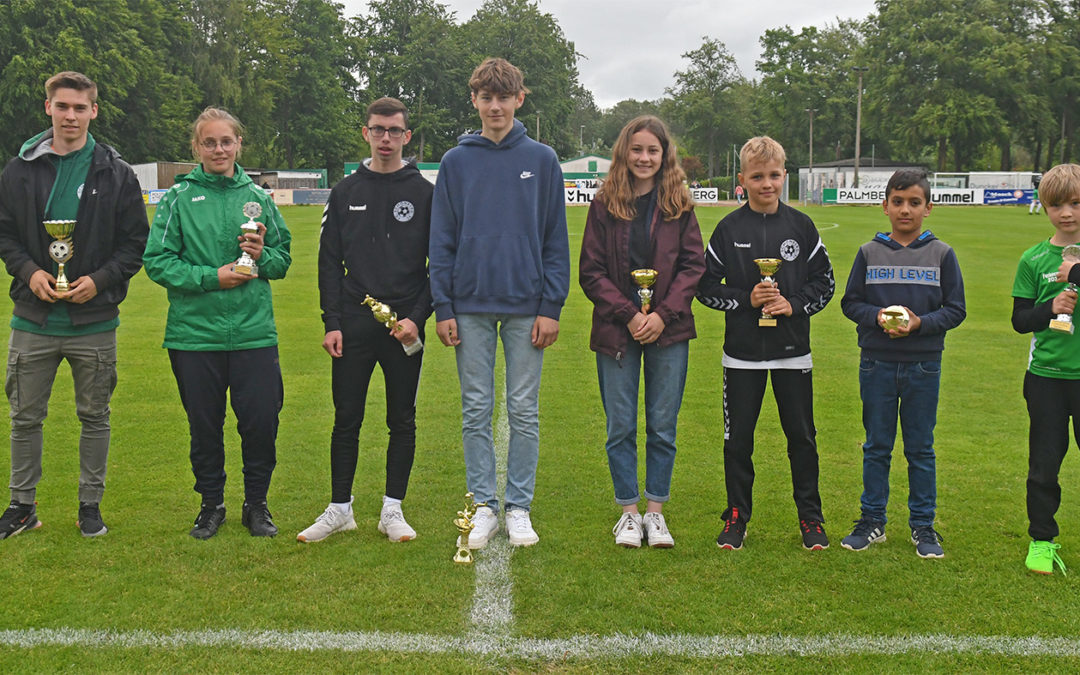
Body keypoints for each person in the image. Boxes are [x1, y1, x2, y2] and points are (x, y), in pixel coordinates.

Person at [429, 58, 570, 549]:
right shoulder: (455, 161)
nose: (495, 106)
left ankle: (520, 507)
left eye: (503, 97)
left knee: (524, 409)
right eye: (486, 98)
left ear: (519, 99)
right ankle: (485, 504)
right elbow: (441, 240)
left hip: (527, 307)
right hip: (467, 306)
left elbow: (555, 239)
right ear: (474, 101)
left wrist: (551, 306)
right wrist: (443, 307)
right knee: (475, 408)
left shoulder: (544, 159)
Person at [0, 71, 148, 540]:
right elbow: (3, 233)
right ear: (48, 108)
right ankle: (22, 506)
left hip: (94, 319)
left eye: (80, 108)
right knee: (24, 418)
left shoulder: (115, 171)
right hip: (33, 316)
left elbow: (134, 243)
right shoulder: (19, 168)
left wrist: (99, 281)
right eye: (62, 106)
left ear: (93, 112)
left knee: (95, 417)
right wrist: (30, 271)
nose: (70, 115)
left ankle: (90, 506)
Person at [143, 107, 292, 540]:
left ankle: (257, 505)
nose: (219, 149)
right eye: (209, 142)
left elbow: (283, 261)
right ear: (197, 148)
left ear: (239, 144)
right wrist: (212, 278)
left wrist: (262, 257)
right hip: (194, 335)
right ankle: (211, 506)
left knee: (262, 422)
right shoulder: (178, 198)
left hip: (253, 333)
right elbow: (157, 261)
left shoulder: (259, 199)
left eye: (226, 141)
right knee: (204, 426)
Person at [298, 97, 433, 544]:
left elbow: (443, 265)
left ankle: (392, 510)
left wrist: (417, 317)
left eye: (395, 131)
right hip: (353, 324)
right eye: (379, 130)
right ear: (366, 134)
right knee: (346, 417)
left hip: (404, 328)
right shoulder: (345, 192)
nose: (387, 138)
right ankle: (340, 508)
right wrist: (331, 321)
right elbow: (327, 262)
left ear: (407, 136)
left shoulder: (425, 193)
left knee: (402, 419)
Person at [696, 136, 834, 551]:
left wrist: (792, 306)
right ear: (743, 180)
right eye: (757, 176)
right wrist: (745, 299)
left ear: (784, 177)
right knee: (738, 440)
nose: (766, 184)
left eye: (774, 175)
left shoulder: (801, 227)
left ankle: (810, 517)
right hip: (742, 356)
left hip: (793, 353)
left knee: (802, 438)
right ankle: (737, 516)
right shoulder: (728, 229)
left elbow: (824, 283)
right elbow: (703, 287)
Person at [579, 116, 704, 548]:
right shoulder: (604, 204)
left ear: (664, 154)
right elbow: (591, 272)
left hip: (669, 331)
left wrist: (662, 315)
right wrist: (631, 314)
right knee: (620, 425)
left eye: (653, 150)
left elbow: (693, 267)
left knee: (663, 425)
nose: (644, 158)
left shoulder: (680, 204)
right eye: (637, 150)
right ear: (624, 153)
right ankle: (628, 513)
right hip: (617, 331)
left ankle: (656, 513)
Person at [839, 169, 965, 559]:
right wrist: (877, 317)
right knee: (877, 446)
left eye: (914, 202)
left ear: (928, 207)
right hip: (876, 362)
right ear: (885, 206)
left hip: (923, 365)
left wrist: (919, 325)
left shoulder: (942, 254)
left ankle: (923, 526)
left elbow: (956, 310)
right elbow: (850, 303)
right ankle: (872, 519)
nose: (905, 209)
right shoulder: (868, 252)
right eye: (897, 202)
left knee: (920, 449)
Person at [1011, 162, 1080, 575]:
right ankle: (1041, 540)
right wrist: (1049, 307)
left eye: (1076, 203)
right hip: (1047, 379)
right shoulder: (1034, 258)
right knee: (1044, 465)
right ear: (1045, 207)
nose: (1067, 213)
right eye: (1057, 205)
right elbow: (1020, 321)